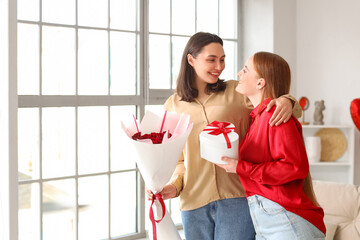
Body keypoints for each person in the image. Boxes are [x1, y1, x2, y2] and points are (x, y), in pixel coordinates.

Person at [146, 32, 302, 240]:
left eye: (222, 59)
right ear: (191, 59)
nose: (219, 66)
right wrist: (173, 187)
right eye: (211, 60)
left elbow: (273, 103)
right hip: (193, 203)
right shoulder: (172, 106)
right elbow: (180, 160)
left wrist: (288, 100)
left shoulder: (236, 92)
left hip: (237, 198)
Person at [217, 51, 326, 239]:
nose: (238, 74)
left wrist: (240, 167)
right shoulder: (259, 118)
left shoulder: (275, 116)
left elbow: (294, 167)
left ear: (260, 82)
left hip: (285, 218)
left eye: (245, 70)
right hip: (268, 218)